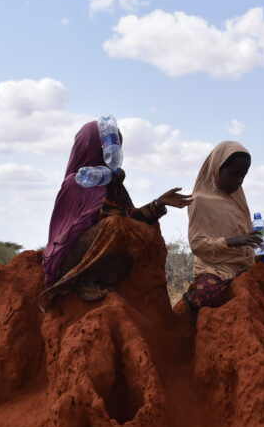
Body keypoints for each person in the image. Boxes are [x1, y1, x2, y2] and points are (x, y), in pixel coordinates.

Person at [40, 120, 190, 308]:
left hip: (99, 245)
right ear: (91, 147)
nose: (112, 155)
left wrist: (158, 203)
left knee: (140, 226)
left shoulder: (111, 181)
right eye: (107, 148)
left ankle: (116, 281)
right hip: (69, 259)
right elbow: (108, 220)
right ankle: (82, 280)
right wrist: (112, 189)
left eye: (116, 148)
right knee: (116, 225)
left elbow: (130, 216)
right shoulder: (76, 182)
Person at [181, 141, 262, 312]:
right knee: (206, 294)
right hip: (214, 269)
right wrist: (232, 241)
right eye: (233, 174)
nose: (238, 181)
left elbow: (245, 241)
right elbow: (197, 245)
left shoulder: (238, 199)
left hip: (242, 266)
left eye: (243, 176)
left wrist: (258, 256)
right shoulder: (200, 201)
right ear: (216, 169)